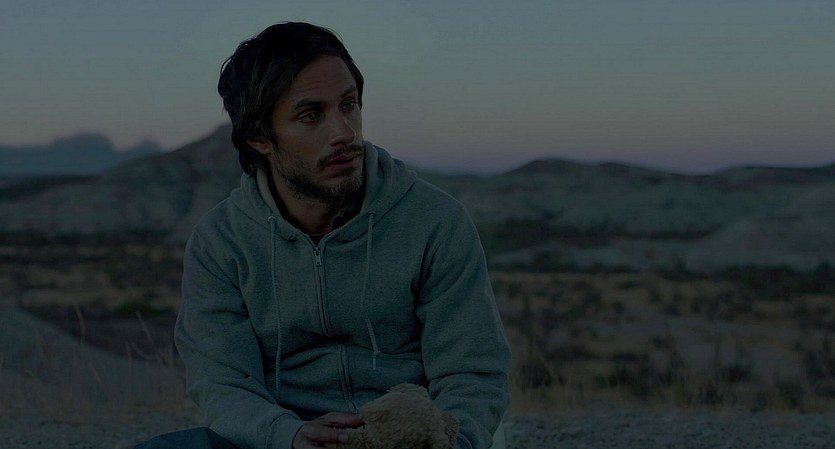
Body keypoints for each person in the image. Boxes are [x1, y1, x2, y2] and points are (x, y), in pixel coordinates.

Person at [136, 21, 510, 449]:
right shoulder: (221, 242)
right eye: (311, 115)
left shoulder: (434, 220)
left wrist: (449, 443)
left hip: (403, 439)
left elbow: (472, 372)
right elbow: (222, 382)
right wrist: (289, 434)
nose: (344, 133)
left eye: (348, 105)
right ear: (260, 137)